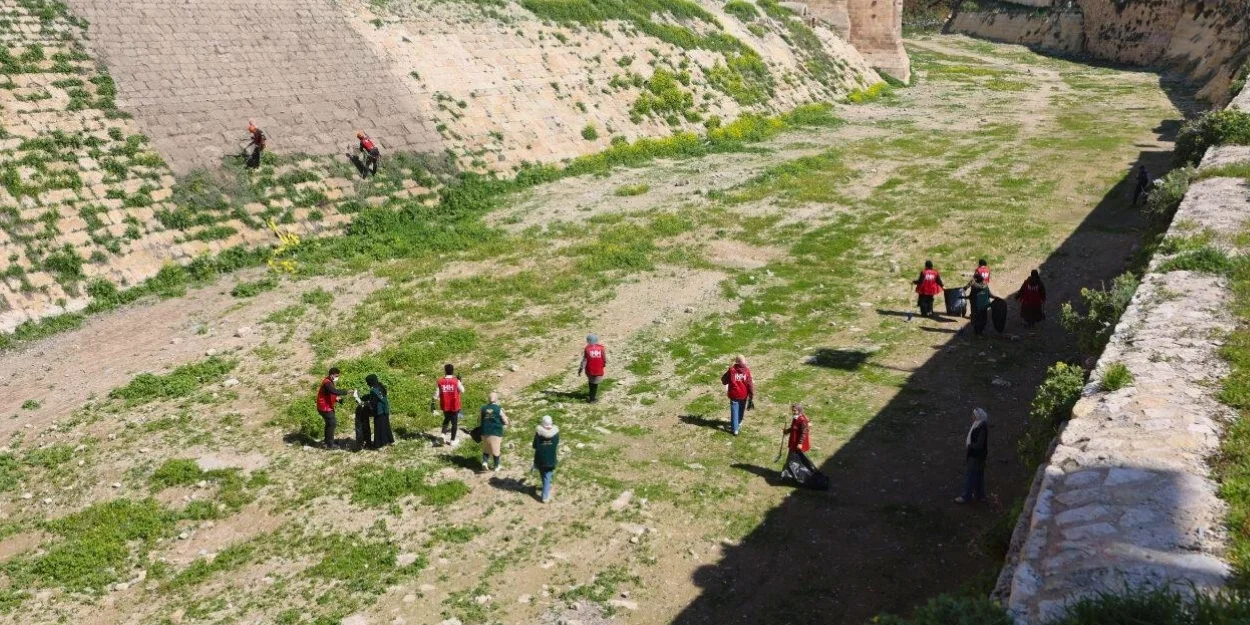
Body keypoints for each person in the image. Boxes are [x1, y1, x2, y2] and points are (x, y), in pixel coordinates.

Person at [956, 408, 989, 504]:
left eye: (973, 415)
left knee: (970, 476)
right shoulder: (979, 425)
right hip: (979, 456)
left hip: (976, 456)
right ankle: (980, 496)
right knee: (978, 476)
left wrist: (970, 445)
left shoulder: (981, 427)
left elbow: (979, 444)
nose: (972, 417)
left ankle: (966, 496)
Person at [315, 367, 351, 449]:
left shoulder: (329, 381)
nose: (337, 377)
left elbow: (330, 393)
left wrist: (336, 399)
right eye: (336, 376)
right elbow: (333, 391)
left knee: (329, 424)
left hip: (325, 406)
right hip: (325, 408)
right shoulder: (327, 383)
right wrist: (346, 391)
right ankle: (330, 445)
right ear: (331, 375)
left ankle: (327, 441)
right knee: (332, 423)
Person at [720, 355, 754, 436]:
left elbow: (724, 380)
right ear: (744, 362)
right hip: (743, 394)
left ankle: (735, 429)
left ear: (737, 362)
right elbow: (750, 384)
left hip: (734, 394)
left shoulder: (732, 370)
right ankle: (738, 423)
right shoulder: (747, 371)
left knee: (734, 411)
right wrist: (751, 394)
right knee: (741, 409)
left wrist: (729, 371)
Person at [433, 364, 464, 445]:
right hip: (454, 405)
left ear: (445, 371)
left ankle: (443, 435)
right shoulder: (456, 381)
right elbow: (462, 390)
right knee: (454, 423)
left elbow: (436, 394)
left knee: (446, 419)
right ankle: (452, 440)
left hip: (445, 404)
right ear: (453, 371)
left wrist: (433, 401)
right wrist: (460, 381)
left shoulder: (440, 381)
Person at [533, 415, 560, 503]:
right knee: (547, 476)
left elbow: (534, 445)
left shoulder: (538, 433)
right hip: (551, 458)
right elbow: (556, 443)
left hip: (540, 458)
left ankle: (546, 487)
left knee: (543, 474)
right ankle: (545, 496)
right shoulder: (555, 433)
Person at [479, 392, 509, 471]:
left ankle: (485, 462)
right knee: (496, 449)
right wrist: (505, 421)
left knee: (486, 448)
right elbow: (505, 421)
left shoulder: (483, 408)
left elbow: (479, 420)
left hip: (484, 431)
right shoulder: (499, 409)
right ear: (496, 399)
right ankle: (496, 466)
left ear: (488, 399)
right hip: (495, 431)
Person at [365, 374, 393, 448]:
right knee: (385, 426)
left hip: (379, 411)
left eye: (368, 382)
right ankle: (387, 441)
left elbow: (373, 403)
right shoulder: (380, 387)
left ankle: (379, 444)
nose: (367, 384)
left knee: (379, 428)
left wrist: (367, 404)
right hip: (385, 410)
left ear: (370, 382)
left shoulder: (373, 390)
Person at [578, 334, 607, 403]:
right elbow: (604, 358)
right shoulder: (601, 348)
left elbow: (584, 360)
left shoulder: (587, 349)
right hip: (598, 369)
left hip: (589, 370)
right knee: (595, 384)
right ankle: (592, 399)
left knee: (591, 382)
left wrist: (581, 369)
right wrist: (603, 364)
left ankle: (591, 396)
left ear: (588, 341)